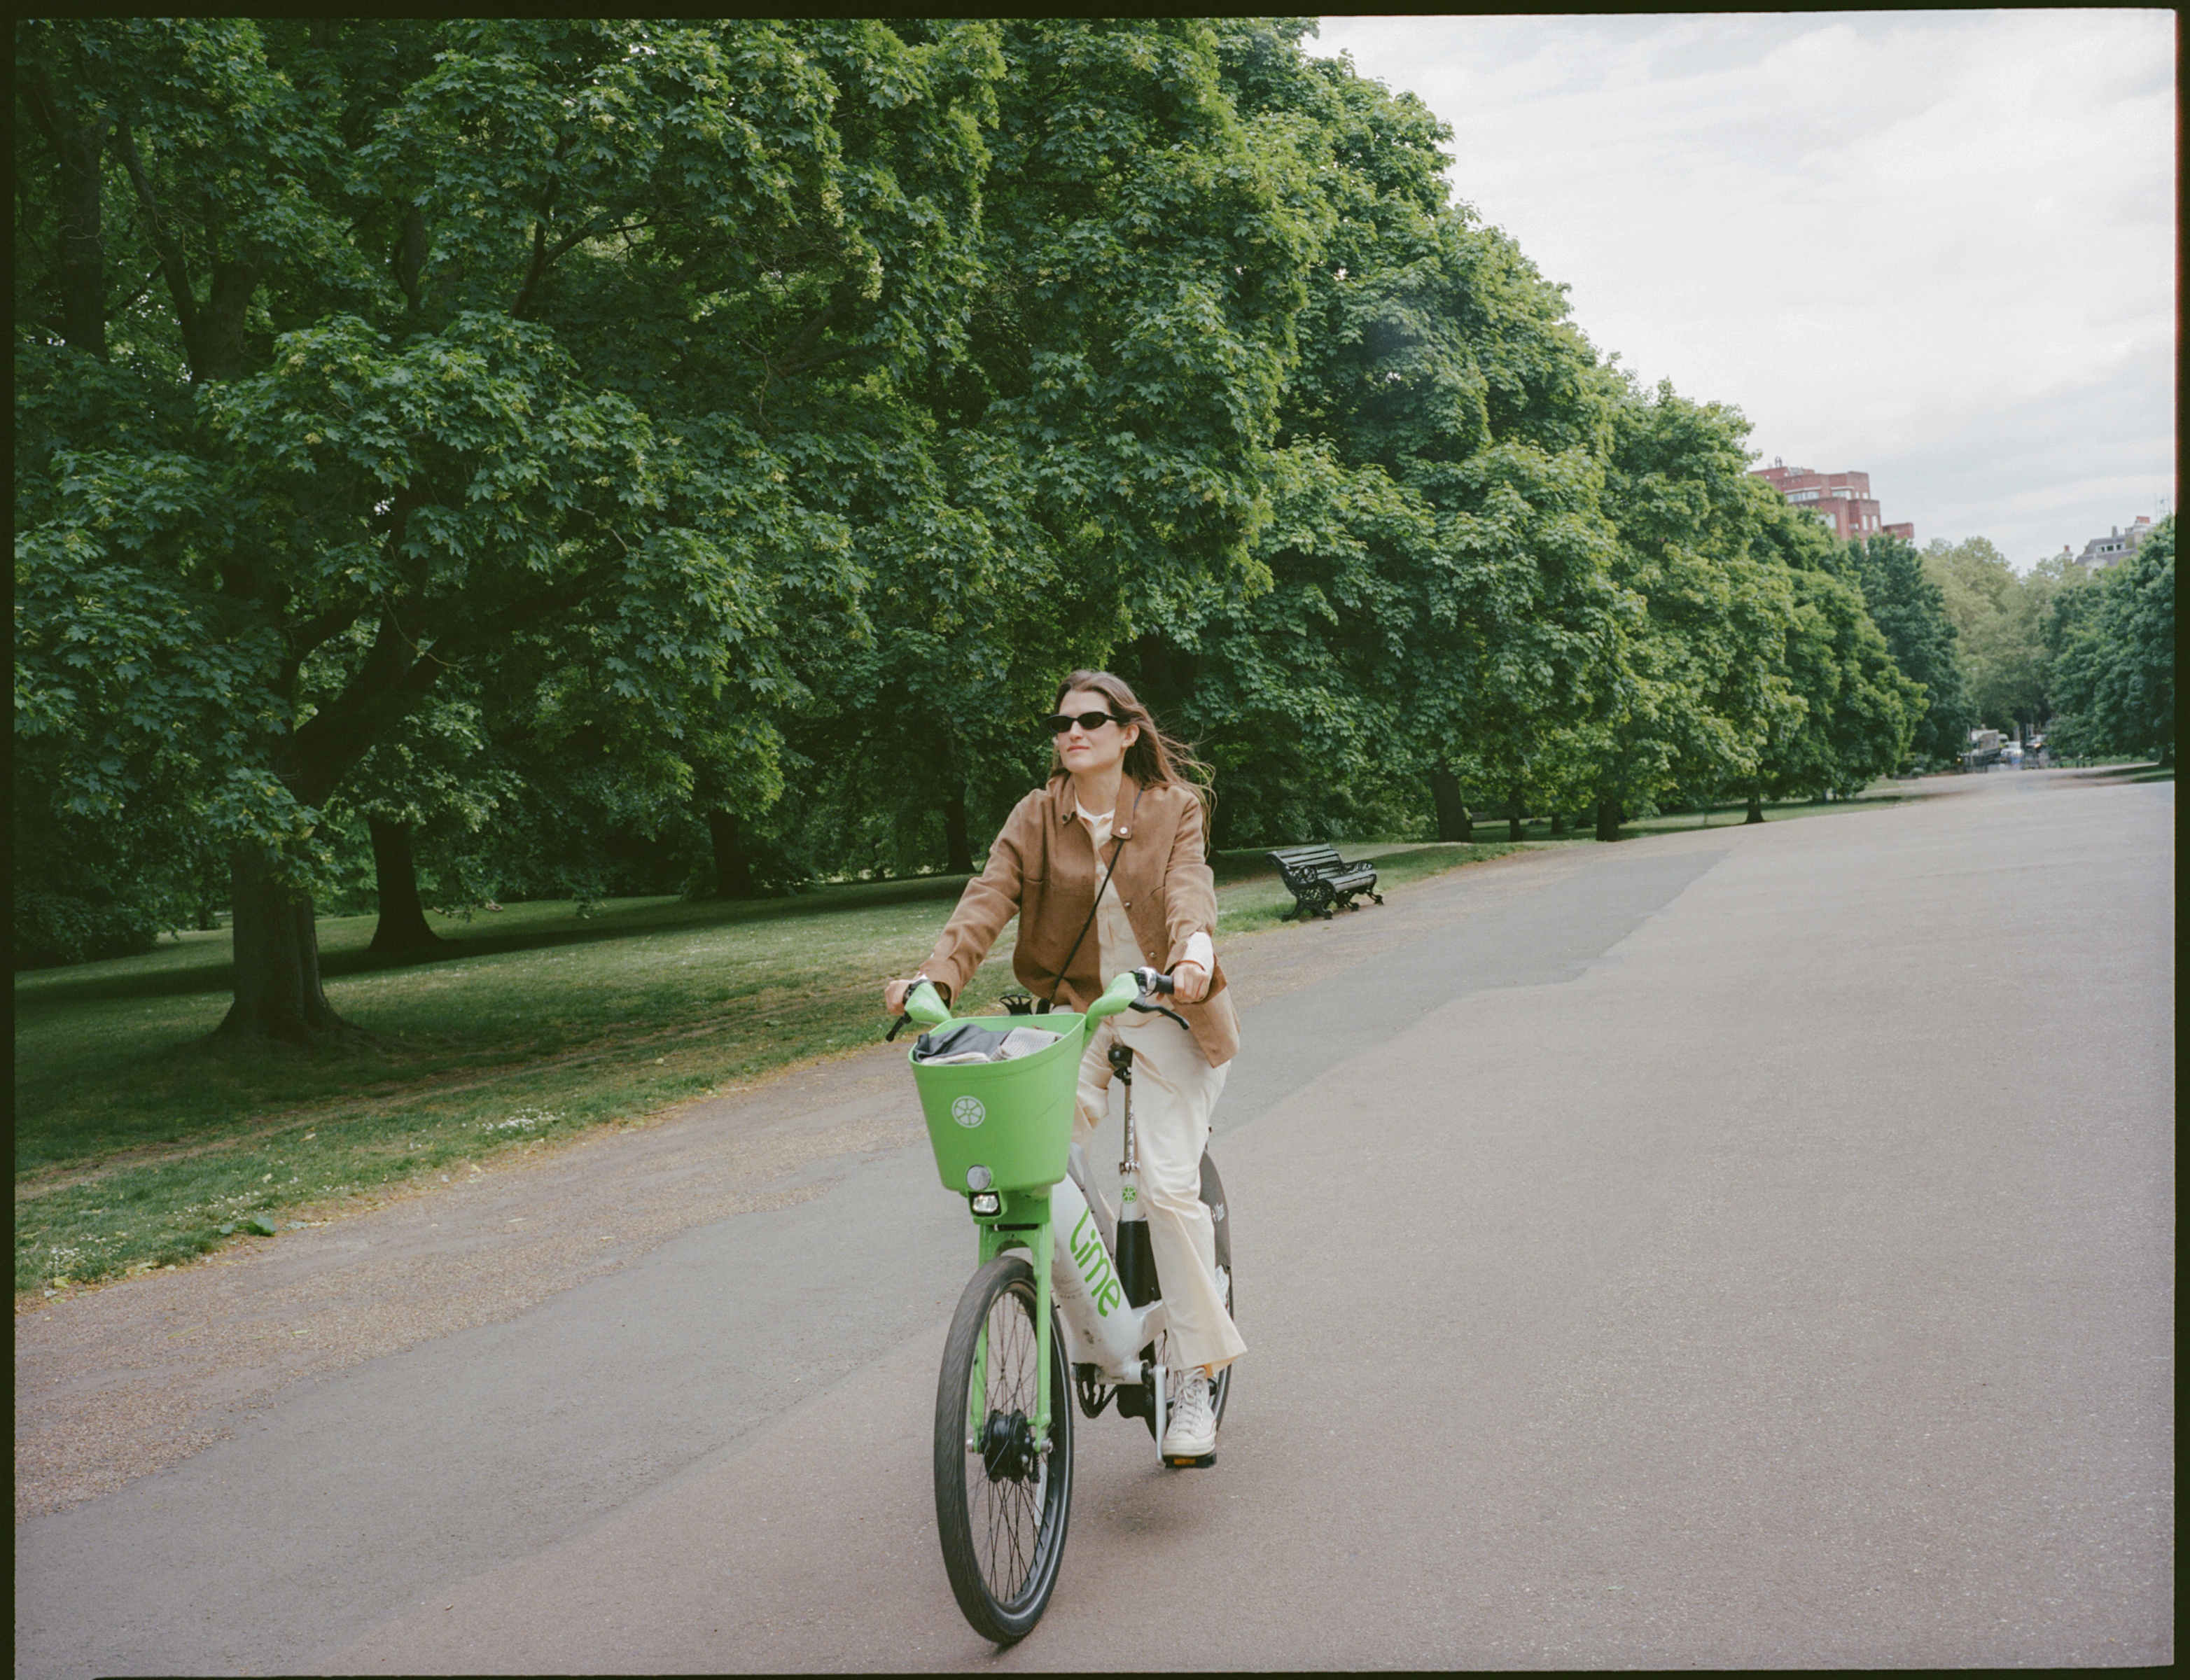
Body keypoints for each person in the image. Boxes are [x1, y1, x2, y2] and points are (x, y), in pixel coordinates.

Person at [883, 669, 1244, 1460]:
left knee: (1167, 1186)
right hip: (1078, 1015)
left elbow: (1189, 888)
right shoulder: (1036, 816)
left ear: (1127, 732)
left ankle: (1194, 1373)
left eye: (1090, 719)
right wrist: (935, 979)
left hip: (1166, 1008)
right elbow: (986, 897)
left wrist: (1192, 953)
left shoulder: (1173, 808)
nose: (1072, 732)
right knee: (1026, 1163)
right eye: (1061, 722)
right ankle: (1098, 1294)